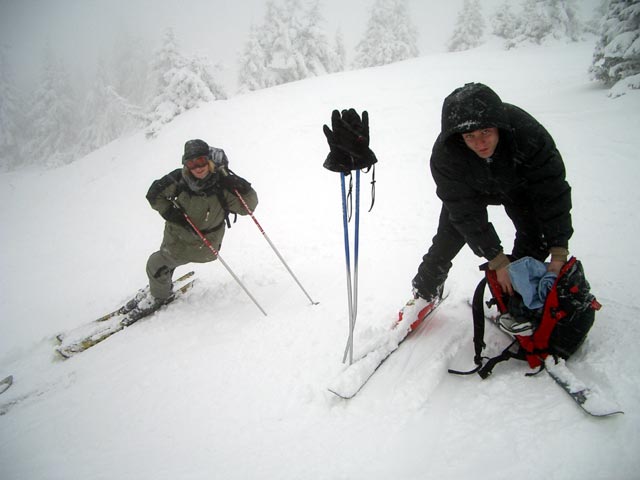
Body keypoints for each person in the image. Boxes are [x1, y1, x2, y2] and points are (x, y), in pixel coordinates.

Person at [412, 83, 573, 322]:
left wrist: (558, 252)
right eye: (470, 136)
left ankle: (517, 295)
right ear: (460, 137)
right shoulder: (446, 155)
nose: (480, 143)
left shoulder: (528, 135)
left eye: (486, 132)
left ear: (498, 127)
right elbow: (465, 213)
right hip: (470, 189)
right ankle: (425, 289)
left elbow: (552, 193)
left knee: (534, 239)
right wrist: (496, 259)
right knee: (447, 239)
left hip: (519, 187)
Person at [133, 139, 258, 319]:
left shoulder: (221, 187)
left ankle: (159, 296)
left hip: (201, 245)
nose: (197, 167)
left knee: (155, 264)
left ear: (208, 161)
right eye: (191, 163)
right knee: (167, 261)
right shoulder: (178, 180)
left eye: (200, 161)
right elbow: (154, 195)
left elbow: (247, 207)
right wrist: (170, 213)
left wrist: (241, 185)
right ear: (185, 164)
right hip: (176, 237)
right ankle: (163, 280)